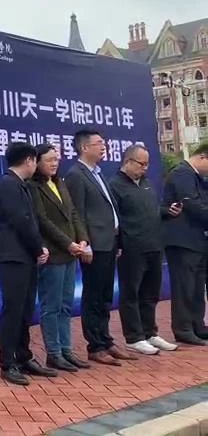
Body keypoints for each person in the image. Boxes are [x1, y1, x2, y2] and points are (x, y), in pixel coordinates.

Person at [65, 130, 135, 365]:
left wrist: (118, 241)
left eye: (104, 142)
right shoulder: (76, 175)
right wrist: (85, 244)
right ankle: (95, 346)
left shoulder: (97, 172)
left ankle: (106, 340)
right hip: (94, 245)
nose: (104, 146)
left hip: (109, 242)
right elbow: (77, 213)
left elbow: (109, 209)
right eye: (98, 143)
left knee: (105, 295)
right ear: (84, 147)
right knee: (93, 296)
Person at [0, 142, 55, 386]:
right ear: (29, 160)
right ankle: (7, 363)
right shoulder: (8, 184)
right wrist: (38, 248)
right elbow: (21, 220)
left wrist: (37, 249)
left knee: (26, 309)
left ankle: (23, 356)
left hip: (26, 257)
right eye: (35, 161)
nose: (36, 165)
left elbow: (30, 221)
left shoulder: (21, 185)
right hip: (13, 257)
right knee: (13, 310)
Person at [108, 144, 178, 354]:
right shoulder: (114, 185)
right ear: (128, 161)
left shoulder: (146, 183)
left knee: (150, 293)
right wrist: (120, 244)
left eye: (147, 164)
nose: (145, 168)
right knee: (131, 293)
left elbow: (152, 211)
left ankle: (150, 333)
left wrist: (166, 211)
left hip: (154, 246)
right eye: (141, 164)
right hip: (132, 248)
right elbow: (113, 220)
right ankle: (134, 337)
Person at [28, 144, 91, 372]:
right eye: (49, 160)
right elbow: (43, 221)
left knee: (66, 305)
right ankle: (53, 353)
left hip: (71, 254)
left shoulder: (59, 182)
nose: (54, 163)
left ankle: (66, 350)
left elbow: (73, 213)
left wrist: (82, 239)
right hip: (54, 255)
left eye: (56, 159)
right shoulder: (33, 186)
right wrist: (68, 243)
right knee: (51, 306)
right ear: (37, 162)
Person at [161, 142, 208, 346]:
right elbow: (193, 205)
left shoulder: (197, 177)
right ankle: (183, 329)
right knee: (184, 286)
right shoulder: (182, 173)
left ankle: (197, 325)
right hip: (182, 241)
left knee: (196, 287)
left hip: (196, 241)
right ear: (203, 157)